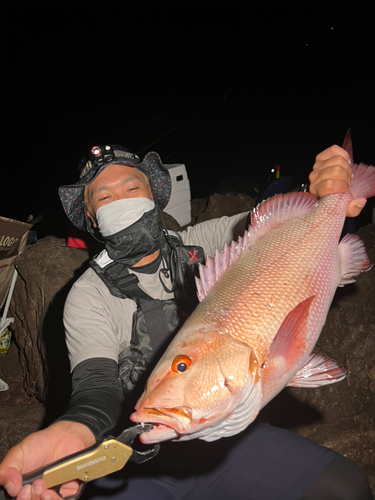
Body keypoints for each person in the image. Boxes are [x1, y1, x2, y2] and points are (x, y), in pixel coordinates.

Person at [0, 143, 372, 500]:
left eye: (132, 187)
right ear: (93, 220)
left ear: (153, 197)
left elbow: (272, 227)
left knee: (346, 489)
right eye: (105, 197)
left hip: (229, 434)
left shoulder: (204, 242)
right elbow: (96, 384)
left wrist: (316, 190)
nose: (123, 201)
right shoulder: (86, 295)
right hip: (139, 466)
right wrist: (77, 429)